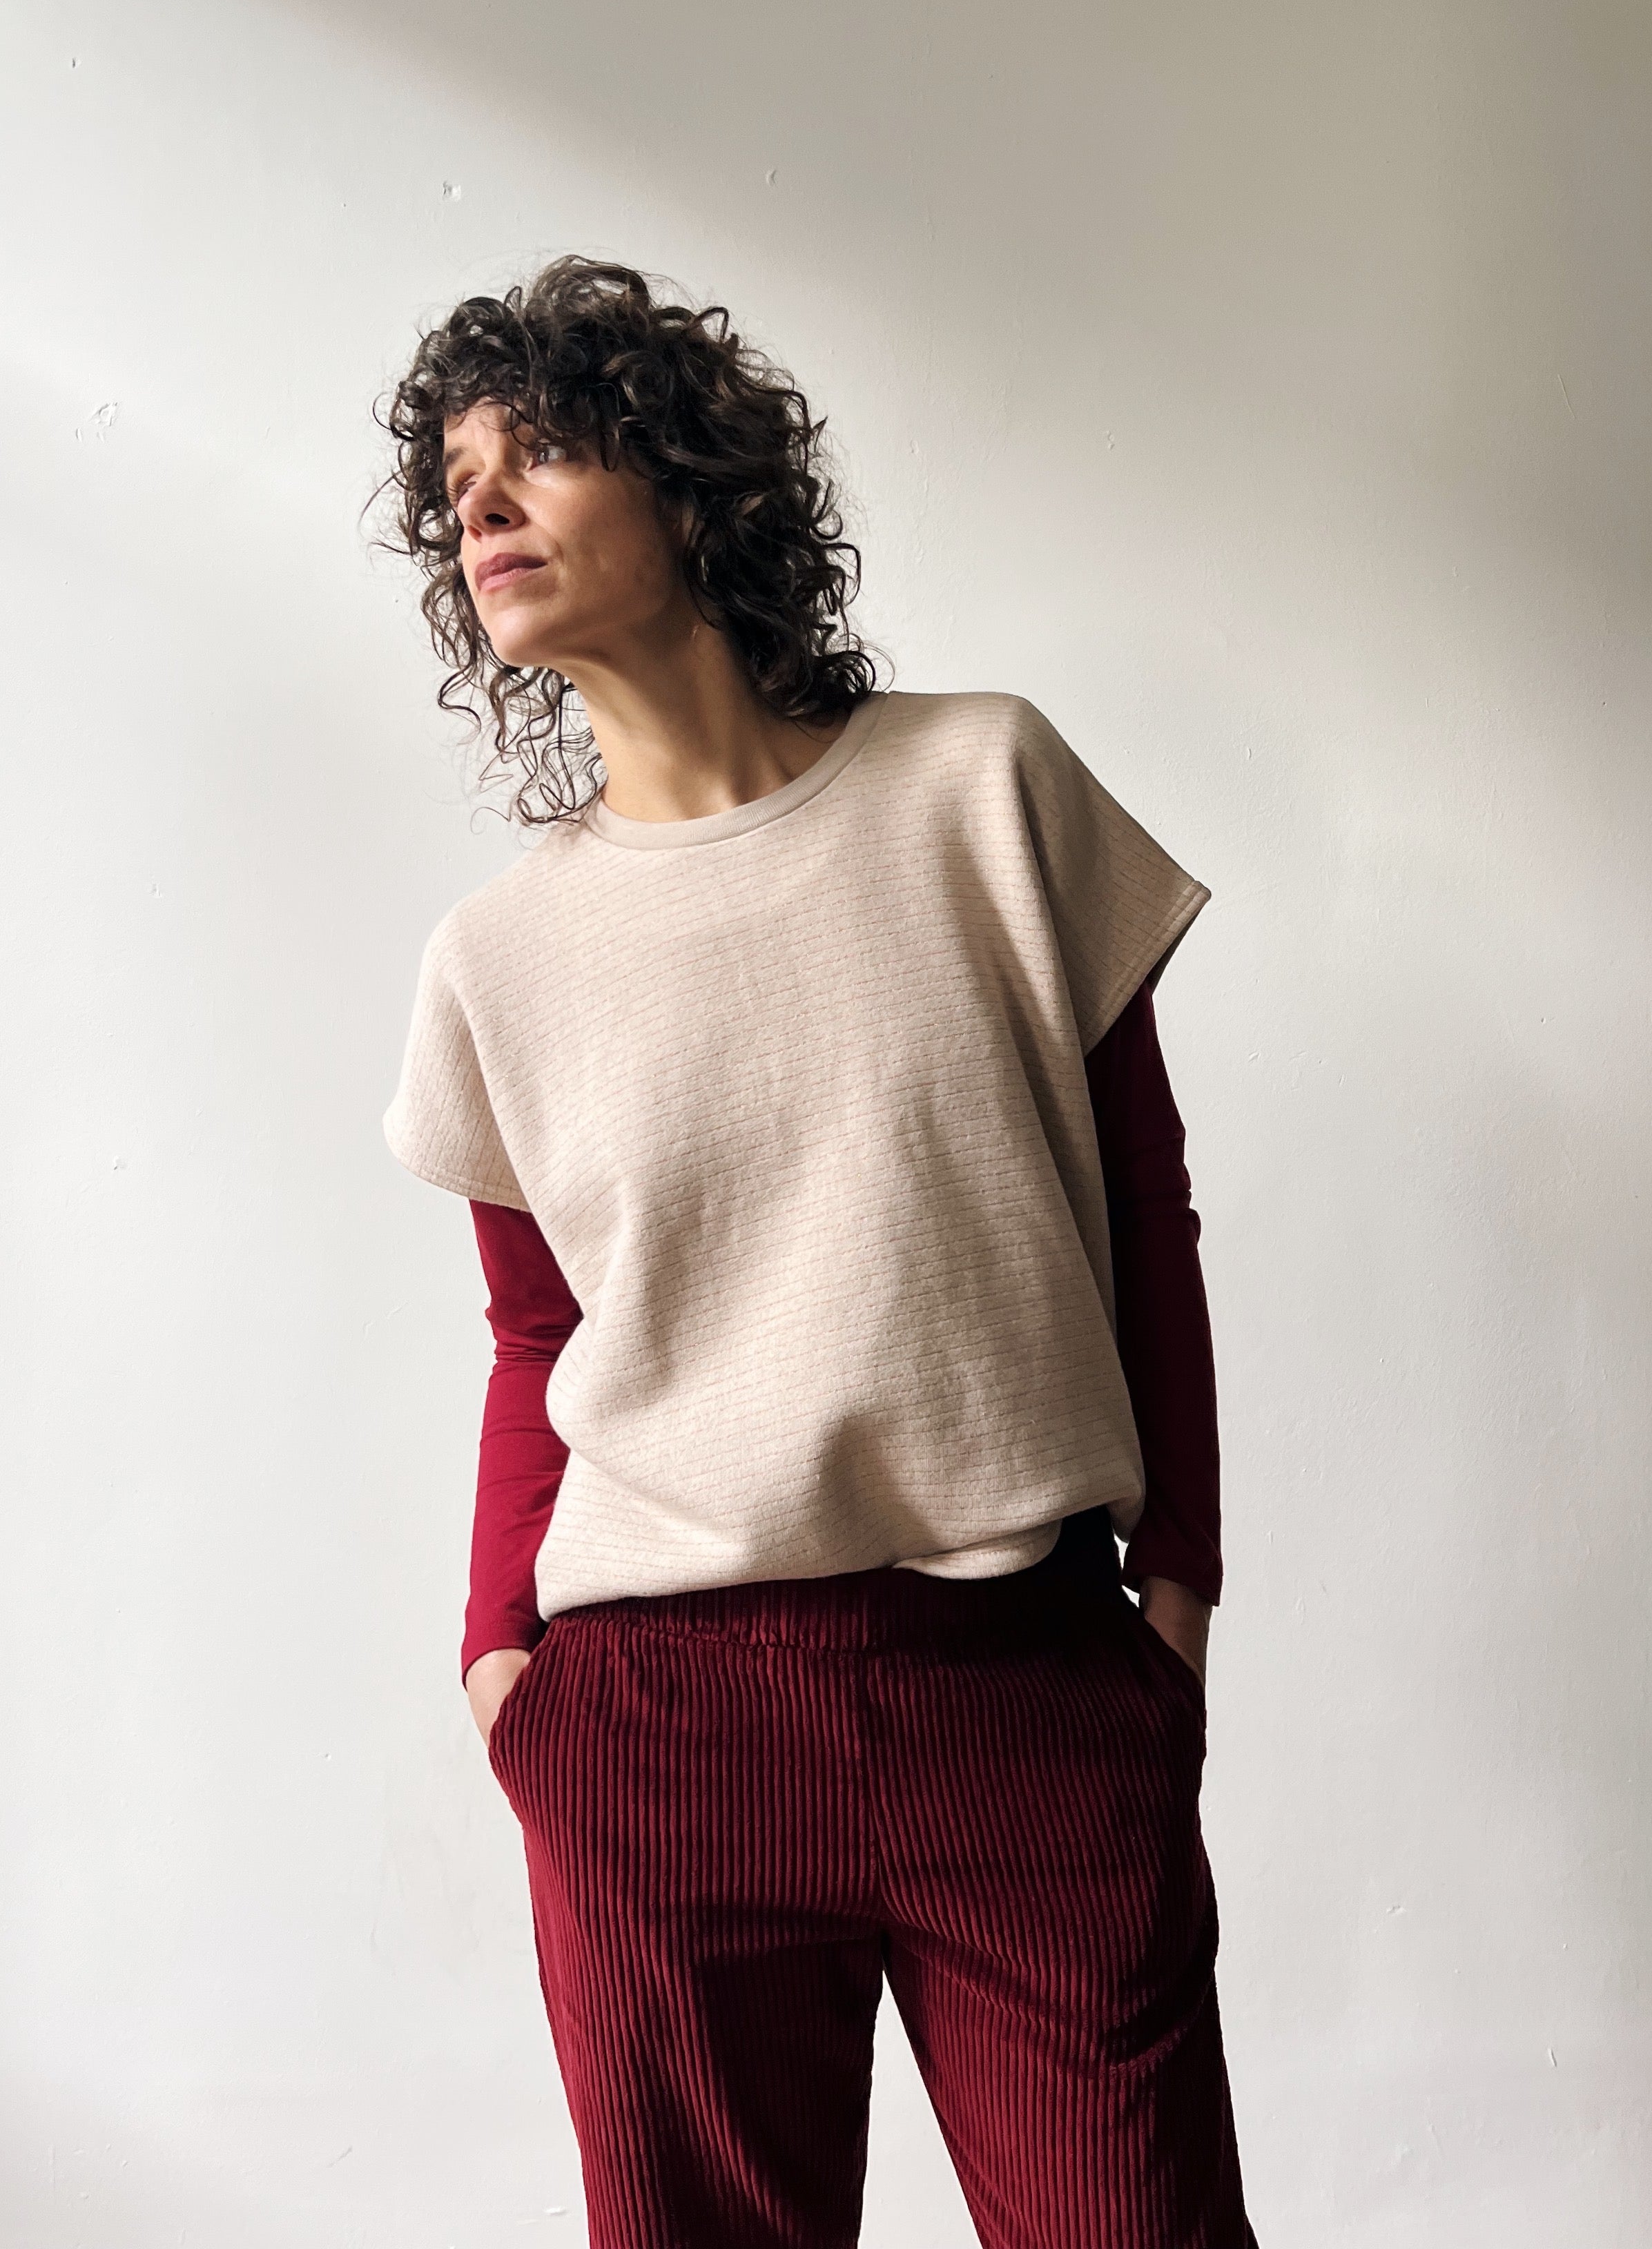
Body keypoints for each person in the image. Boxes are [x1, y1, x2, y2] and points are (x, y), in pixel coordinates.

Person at [380, 255, 1256, 2248]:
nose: (482, 509)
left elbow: (1146, 1209)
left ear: (690, 492)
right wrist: (501, 1666)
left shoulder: (983, 789)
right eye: (457, 482)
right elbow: (533, 1346)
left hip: (1019, 1684)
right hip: (653, 1724)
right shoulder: (499, 960)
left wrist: (1175, 1601)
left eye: (544, 454)